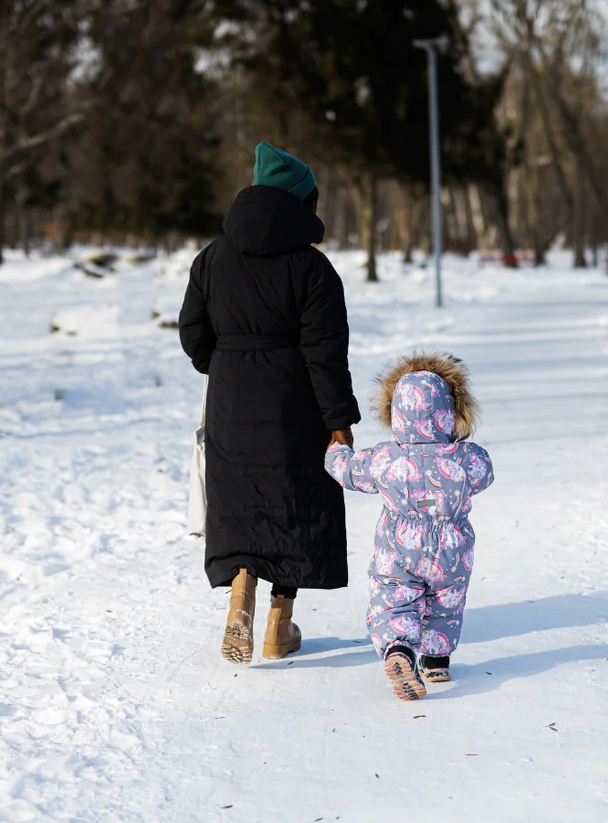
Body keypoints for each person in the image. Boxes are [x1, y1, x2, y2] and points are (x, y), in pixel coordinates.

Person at [179, 142, 360, 664]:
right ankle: (279, 626)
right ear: (303, 202)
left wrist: (226, 366)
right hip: (295, 402)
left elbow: (192, 333)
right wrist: (339, 422)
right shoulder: (313, 269)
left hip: (230, 399)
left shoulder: (211, 258)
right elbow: (325, 354)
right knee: (294, 502)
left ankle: (241, 592)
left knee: (241, 499)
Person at [325, 352, 494, 700]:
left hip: (400, 547)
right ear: (452, 412)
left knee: (394, 599)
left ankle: (400, 649)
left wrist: (335, 451)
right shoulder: (468, 458)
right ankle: (436, 660)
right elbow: (485, 474)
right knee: (446, 603)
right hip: (452, 548)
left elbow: (348, 471)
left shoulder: (385, 458)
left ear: (395, 414)